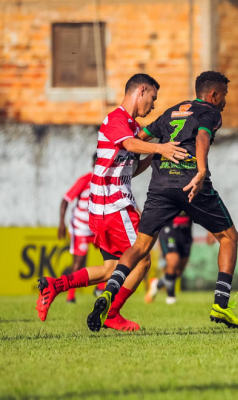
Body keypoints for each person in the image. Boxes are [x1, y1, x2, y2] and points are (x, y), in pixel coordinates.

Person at [88, 71, 238, 332]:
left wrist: (138, 158)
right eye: (224, 96)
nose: (224, 101)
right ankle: (221, 304)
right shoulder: (211, 112)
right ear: (213, 94)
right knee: (229, 237)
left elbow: (140, 139)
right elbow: (202, 137)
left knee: (140, 246)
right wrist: (201, 171)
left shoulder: (171, 111)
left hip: (160, 186)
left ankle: (109, 291)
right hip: (189, 182)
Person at [35, 73, 187, 331]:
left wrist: (162, 146)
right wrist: (160, 149)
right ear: (141, 91)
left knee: (110, 269)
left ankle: (55, 285)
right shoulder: (117, 120)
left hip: (102, 209)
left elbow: (131, 166)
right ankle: (113, 314)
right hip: (115, 207)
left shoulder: (131, 127)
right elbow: (130, 143)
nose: (153, 105)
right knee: (142, 259)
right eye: (152, 98)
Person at [58, 153, 105, 303]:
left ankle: (100, 288)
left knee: (110, 256)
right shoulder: (86, 180)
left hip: (97, 227)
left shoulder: (107, 181)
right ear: (93, 164)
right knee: (79, 262)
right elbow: (65, 200)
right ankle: (70, 296)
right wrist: (61, 223)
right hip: (81, 226)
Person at [145, 215, 217, 304]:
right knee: (173, 261)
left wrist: (211, 230)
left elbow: (204, 210)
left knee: (178, 272)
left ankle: (157, 284)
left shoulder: (194, 200)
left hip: (186, 233)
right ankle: (171, 297)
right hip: (169, 231)